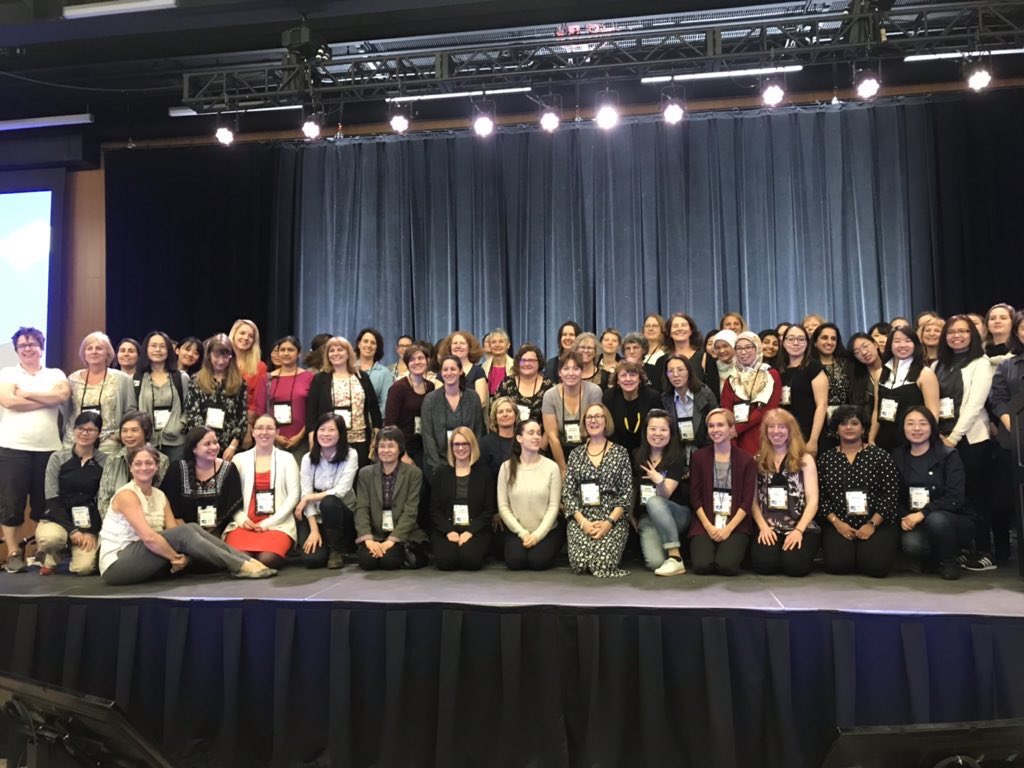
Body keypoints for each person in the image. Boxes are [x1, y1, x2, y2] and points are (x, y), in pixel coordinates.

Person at [98, 444, 276, 585]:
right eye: (138, 463)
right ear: (130, 468)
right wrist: (176, 558)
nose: (144, 467)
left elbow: (175, 532)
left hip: (147, 556)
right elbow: (149, 538)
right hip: (118, 563)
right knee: (185, 532)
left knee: (191, 528)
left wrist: (184, 555)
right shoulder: (127, 495)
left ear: (157, 466)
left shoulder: (160, 495)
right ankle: (241, 565)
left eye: (149, 463)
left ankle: (247, 561)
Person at [0, 327, 70, 573]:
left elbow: (61, 396)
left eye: (32, 344)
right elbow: (8, 401)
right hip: (12, 447)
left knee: (44, 504)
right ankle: (13, 553)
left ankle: (41, 550)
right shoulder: (7, 373)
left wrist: (27, 394)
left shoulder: (55, 373)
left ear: (41, 347)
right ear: (17, 349)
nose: (28, 348)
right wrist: (44, 398)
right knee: (11, 504)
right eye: (22, 345)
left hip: (48, 449)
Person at [932, 315, 994, 568]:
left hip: (970, 439)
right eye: (952, 332)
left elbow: (975, 404)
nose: (957, 336)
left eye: (963, 332)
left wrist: (954, 437)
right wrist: (937, 435)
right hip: (941, 438)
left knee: (975, 495)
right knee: (951, 494)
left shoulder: (981, 363)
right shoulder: (937, 365)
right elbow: (933, 402)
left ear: (973, 335)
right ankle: (958, 547)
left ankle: (983, 551)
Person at [816, 406, 901, 577]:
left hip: (876, 522)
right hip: (839, 522)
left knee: (876, 568)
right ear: (836, 428)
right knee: (837, 566)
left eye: (854, 423)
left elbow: (890, 495)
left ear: (863, 428)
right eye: (843, 423)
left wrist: (872, 524)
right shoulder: (826, 459)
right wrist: (837, 523)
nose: (849, 427)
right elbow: (821, 497)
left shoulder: (881, 456)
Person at [892, 407, 971, 580]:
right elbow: (893, 495)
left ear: (932, 427)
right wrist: (905, 517)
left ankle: (949, 561)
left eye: (923, 423)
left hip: (949, 517)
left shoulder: (948, 455)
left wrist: (923, 513)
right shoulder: (897, 456)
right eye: (910, 424)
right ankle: (932, 558)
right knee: (912, 544)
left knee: (936, 520)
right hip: (913, 519)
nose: (916, 429)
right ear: (903, 427)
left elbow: (955, 498)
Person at [561, 403, 634, 578]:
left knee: (603, 564)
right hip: (583, 518)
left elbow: (626, 494)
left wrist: (609, 522)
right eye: (589, 417)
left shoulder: (620, 453)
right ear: (584, 422)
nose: (593, 421)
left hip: (612, 518)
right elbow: (568, 494)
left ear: (606, 421)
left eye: (598, 416)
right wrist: (583, 523)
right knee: (580, 564)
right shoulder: (575, 454)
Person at [750, 409, 820, 576]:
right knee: (764, 566)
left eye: (781, 427)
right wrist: (763, 527)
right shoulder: (758, 459)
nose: (776, 431)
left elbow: (813, 501)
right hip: (769, 526)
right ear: (766, 432)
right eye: (771, 427)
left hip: (800, 525)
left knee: (795, 567)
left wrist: (798, 530)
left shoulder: (805, 459)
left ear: (791, 431)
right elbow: (753, 502)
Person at [35, 412, 107, 575]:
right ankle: (52, 555)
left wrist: (91, 531)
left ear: (99, 433)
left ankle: (71, 550)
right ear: (73, 430)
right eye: (80, 428)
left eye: (91, 430)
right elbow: (52, 497)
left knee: (84, 569)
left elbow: (103, 500)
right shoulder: (57, 458)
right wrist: (71, 530)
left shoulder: (105, 461)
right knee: (50, 539)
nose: (84, 433)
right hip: (57, 519)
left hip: (87, 523)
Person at [225, 414, 300, 569]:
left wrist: (268, 523)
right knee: (240, 558)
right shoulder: (239, 459)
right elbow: (230, 496)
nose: (264, 432)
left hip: (277, 524)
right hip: (245, 523)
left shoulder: (287, 458)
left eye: (269, 428)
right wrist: (240, 518)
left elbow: (294, 495)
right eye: (259, 428)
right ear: (252, 432)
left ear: (277, 432)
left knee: (267, 559)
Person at [687, 408, 755, 576]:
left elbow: (747, 501)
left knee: (727, 567)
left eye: (720, 425)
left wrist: (728, 529)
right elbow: (695, 496)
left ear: (732, 429)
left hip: (735, 522)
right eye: (711, 426)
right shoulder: (698, 457)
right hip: (706, 521)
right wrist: (709, 527)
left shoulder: (746, 460)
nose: (715, 430)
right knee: (702, 566)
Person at [353, 427, 428, 570]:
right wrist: (368, 539)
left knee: (390, 561)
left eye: (391, 446)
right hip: (376, 533)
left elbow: (410, 512)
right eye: (382, 446)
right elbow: (361, 508)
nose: (385, 450)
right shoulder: (365, 474)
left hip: (404, 534)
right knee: (367, 562)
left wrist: (391, 541)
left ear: (400, 448)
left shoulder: (414, 473)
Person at [497, 419, 563, 570]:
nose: (536, 437)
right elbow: (503, 507)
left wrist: (537, 536)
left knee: (538, 562)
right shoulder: (506, 468)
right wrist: (522, 533)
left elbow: (553, 507)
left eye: (539, 433)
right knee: (515, 561)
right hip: (518, 531)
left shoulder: (551, 467)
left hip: (546, 531)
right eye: (531, 433)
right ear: (519, 438)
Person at [306, 336, 381, 467]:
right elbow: (311, 414)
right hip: (330, 441)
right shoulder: (320, 379)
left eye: (340, 350)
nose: (336, 353)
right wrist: (312, 441)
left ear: (348, 353)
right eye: (332, 350)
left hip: (360, 440)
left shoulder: (362, 377)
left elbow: (374, 409)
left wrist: (377, 437)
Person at [296, 413, 358, 569]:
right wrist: (314, 530)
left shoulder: (351, 455)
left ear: (341, 433)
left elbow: (341, 491)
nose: (325, 434)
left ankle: (337, 550)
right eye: (322, 429)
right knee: (312, 560)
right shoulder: (307, 459)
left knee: (329, 501)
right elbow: (306, 495)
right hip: (317, 517)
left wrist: (309, 497)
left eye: (331, 430)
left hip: (343, 515)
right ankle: (323, 541)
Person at [634, 409, 692, 575]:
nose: (657, 434)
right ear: (646, 431)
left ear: (671, 433)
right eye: (653, 429)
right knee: (655, 563)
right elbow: (633, 486)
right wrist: (631, 513)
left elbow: (664, 495)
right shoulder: (638, 455)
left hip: (676, 514)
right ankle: (668, 559)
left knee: (655, 501)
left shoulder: (677, 456)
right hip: (648, 518)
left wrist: (659, 480)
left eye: (663, 429)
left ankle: (676, 558)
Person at [988, 310, 1024, 567]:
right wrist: (1013, 425)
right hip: (1013, 442)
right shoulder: (1008, 364)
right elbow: (997, 399)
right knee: (1005, 500)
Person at [430, 428, 495, 570]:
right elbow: (434, 509)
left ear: (472, 446)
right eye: (456, 444)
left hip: (475, 530)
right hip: (447, 529)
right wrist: (449, 531)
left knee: (471, 560)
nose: (460, 448)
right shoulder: (441, 473)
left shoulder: (484, 474)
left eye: (465, 444)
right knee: (446, 561)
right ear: (451, 447)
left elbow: (488, 510)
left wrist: (470, 531)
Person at [160, 426, 242, 536]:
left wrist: (210, 535)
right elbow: (170, 505)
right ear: (194, 448)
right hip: (183, 532)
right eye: (207, 444)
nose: (214, 447)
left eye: (215, 442)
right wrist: (191, 535)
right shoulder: (177, 469)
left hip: (218, 532)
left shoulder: (229, 469)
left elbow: (231, 507)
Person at [63, 331, 135, 455]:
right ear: (84, 354)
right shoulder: (72, 379)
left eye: (99, 348)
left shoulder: (122, 379)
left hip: (108, 443)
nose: (94, 352)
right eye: (89, 348)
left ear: (107, 353)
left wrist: (118, 435)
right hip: (74, 442)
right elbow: (66, 411)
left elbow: (131, 410)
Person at [869, 326, 939, 452]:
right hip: (884, 439)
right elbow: (876, 410)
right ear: (890, 345)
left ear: (915, 345)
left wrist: (926, 442)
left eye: (907, 341)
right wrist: (871, 438)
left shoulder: (925, 373)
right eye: (897, 341)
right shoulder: (880, 373)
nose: (902, 345)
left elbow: (933, 413)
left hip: (913, 441)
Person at [420, 355, 485, 483]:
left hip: (468, 464)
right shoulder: (430, 400)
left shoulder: (473, 398)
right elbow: (428, 436)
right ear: (441, 373)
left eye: (453, 369)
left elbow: (478, 431)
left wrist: (471, 462)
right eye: (445, 370)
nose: (449, 373)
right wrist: (438, 468)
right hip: (438, 465)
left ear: (460, 371)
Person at [184, 334, 248, 461]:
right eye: (217, 355)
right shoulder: (196, 380)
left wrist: (232, 446)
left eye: (225, 356)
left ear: (231, 357)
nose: (221, 361)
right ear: (209, 355)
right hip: (202, 447)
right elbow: (192, 414)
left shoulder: (240, 382)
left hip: (229, 448)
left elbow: (242, 417)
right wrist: (206, 445)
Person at [720, 331, 782, 456]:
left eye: (748, 347)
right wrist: (731, 433)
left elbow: (768, 409)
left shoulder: (771, 375)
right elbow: (726, 411)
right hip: (736, 439)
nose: (743, 352)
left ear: (758, 348)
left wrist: (737, 429)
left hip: (764, 434)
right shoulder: (731, 379)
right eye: (739, 348)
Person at [542, 352, 603, 475]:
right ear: (559, 372)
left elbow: (596, 431)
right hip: (558, 453)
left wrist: (586, 466)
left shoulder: (594, 391)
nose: (571, 373)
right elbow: (552, 436)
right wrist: (563, 469)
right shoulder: (550, 395)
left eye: (576, 368)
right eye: (566, 368)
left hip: (589, 451)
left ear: (582, 371)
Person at [98, 411, 170, 516]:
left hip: (150, 520)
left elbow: (161, 500)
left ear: (146, 432)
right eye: (124, 431)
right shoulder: (113, 459)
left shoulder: (161, 460)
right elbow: (103, 498)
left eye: (134, 430)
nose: (128, 435)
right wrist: (113, 523)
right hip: (116, 522)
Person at [134, 330, 190, 462]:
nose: (158, 350)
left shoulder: (181, 378)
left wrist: (180, 424)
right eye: (153, 346)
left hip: (176, 442)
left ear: (169, 350)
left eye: (162, 346)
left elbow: (189, 407)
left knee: (175, 480)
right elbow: (132, 409)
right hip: (147, 441)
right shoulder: (138, 379)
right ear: (146, 349)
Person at [257, 336, 314, 462]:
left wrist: (300, 436)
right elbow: (260, 411)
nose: (286, 353)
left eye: (290, 350)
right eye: (282, 350)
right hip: (272, 439)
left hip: (301, 439)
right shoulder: (267, 379)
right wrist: (275, 436)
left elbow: (313, 412)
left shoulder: (309, 377)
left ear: (298, 353)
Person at [383, 343, 437, 471]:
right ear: (407, 364)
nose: (416, 362)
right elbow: (390, 424)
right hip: (403, 447)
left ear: (427, 360)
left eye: (420, 358)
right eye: (412, 360)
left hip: (423, 446)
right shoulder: (398, 388)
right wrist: (403, 454)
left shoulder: (430, 387)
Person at [777, 324, 828, 455]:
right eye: (791, 339)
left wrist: (813, 440)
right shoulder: (778, 369)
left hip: (809, 432)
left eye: (801, 339)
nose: (795, 343)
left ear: (807, 343)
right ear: (783, 342)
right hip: (784, 434)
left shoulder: (814, 367)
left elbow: (821, 405)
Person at [660, 353, 716, 463]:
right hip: (677, 455)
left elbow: (715, 423)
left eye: (680, 369)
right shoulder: (664, 399)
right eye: (670, 371)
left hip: (705, 451)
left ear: (689, 371)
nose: (675, 374)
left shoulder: (705, 394)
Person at [602, 360, 662, 455]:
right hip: (617, 451)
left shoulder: (652, 397)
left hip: (647, 450)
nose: (628, 379)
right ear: (617, 380)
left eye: (633, 375)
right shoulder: (609, 397)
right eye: (623, 375)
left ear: (640, 378)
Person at [229, 318, 267, 449]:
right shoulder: (221, 361)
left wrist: (247, 429)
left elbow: (256, 402)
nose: (246, 338)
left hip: (245, 426)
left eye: (251, 336)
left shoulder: (260, 367)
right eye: (242, 333)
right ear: (234, 334)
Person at [494, 343, 554, 425]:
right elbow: (495, 411)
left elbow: (554, 420)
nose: (526, 364)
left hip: (539, 436)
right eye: (523, 361)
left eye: (531, 361)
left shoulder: (549, 386)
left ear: (539, 362)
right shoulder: (507, 383)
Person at [437, 330, 489, 413]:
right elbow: (438, 400)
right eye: (455, 343)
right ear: (450, 348)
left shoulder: (478, 372)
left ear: (470, 348)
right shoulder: (442, 373)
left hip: (471, 420)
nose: (458, 346)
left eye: (462, 343)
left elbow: (481, 401)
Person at [354, 327, 392, 420]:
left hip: (374, 425)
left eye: (373, 343)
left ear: (377, 348)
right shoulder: (349, 369)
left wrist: (373, 422)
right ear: (359, 344)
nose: (369, 345)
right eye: (365, 341)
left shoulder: (384, 373)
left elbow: (386, 403)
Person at [847, 332, 883, 419]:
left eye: (865, 346)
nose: (863, 352)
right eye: (857, 352)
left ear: (875, 344)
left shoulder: (893, 366)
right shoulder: (856, 378)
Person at [480, 396, 517, 474]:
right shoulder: (485, 443)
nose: (505, 414)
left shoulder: (522, 441)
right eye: (500, 412)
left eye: (509, 411)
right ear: (495, 418)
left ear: (515, 415)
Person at [703, 329, 736, 399]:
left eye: (725, 346)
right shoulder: (711, 368)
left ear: (734, 345)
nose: (721, 351)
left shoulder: (743, 367)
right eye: (717, 348)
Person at [481, 328, 512, 397]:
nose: (497, 345)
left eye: (501, 341)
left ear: (508, 345)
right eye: (493, 342)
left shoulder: (516, 366)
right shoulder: (483, 368)